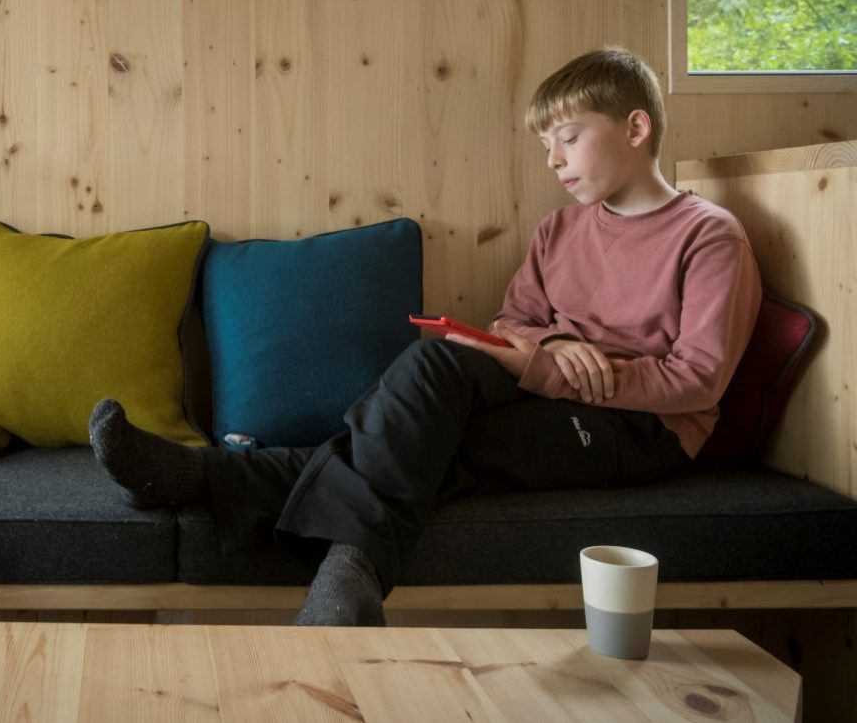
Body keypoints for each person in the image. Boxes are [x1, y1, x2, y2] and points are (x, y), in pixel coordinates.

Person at [89, 47, 763, 626]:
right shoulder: (560, 230)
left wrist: (571, 371)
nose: (553, 159)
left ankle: (286, 527)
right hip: (551, 385)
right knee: (435, 361)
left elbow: (698, 378)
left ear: (636, 126)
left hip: (644, 428)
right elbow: (513, 327)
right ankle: (261, 513)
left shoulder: (707, 235)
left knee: (439, 446)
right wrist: (554, 351)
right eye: (545, 144)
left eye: (569, 136)